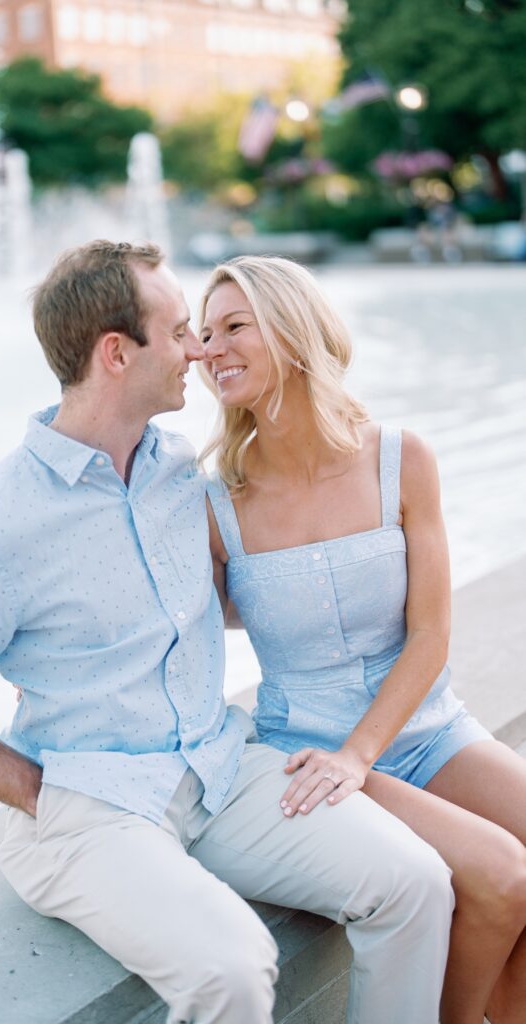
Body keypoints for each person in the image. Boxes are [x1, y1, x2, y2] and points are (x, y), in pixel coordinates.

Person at [0, 241, 454, 1024]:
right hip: (91, 810)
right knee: (232, 970)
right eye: (179, 331)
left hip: (215, 770)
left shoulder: (177, 470)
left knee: (416, 883)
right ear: (116, 352)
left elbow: (250, 584)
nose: (198, 350)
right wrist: (35, 792)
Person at [200, 254, 526, 1024]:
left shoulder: (400, 458)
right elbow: (171, 621)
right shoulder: (213, 502)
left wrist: (364, 749)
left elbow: (430, 631)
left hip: (428, 730)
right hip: (313, 749)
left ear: (293, 329)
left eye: (233, 326)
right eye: (204, 333)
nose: (209, 349)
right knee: (505, 877)